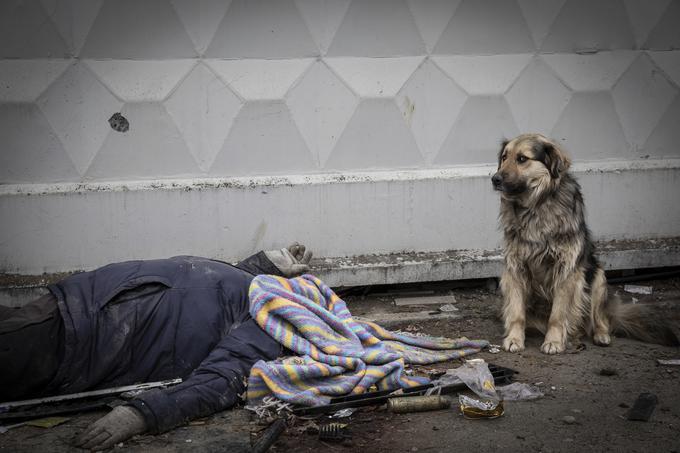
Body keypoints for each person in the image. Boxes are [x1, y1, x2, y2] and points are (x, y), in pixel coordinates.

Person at [0, 244, 312, 450]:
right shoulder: (257, 294)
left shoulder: (266, 317)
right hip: (84, 328)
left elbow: (224, 376)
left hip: (82, 322)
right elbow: (222, 376)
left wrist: (144, 413)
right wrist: (262, 266)